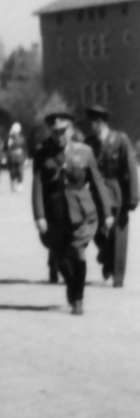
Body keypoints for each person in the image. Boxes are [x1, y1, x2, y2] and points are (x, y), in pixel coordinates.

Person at [32, 98, 112, 313]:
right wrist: (39, 215)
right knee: (60, 257)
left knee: (78, 253)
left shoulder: (84, 151)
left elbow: (97, 183)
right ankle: (71, 284)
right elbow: (37, 186)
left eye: (64, 130)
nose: (60, 134)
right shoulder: (42, 153)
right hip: (54, 214)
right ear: (50, 130)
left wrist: (107, 212)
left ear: (71, 129)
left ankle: (78, 299)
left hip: (81, 213)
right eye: (55, 130)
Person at [85, 104, 139, 286]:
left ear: (99, 122)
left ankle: (118, 277)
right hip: (95, 196)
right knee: (97, 233)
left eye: (91, 122)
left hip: (117, 195)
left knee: (119, 236)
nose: (89, 126)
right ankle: (107, 257)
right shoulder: (89, 142)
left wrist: (133, 196)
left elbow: (131, 168)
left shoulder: (120, 140)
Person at [4, 122, 28, 192]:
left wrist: (26, 158)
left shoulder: (22, 138)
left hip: (20, 157)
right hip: (11, 157)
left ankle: (20, 184)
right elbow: (6, 148)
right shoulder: (9, 138)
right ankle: (13, 184)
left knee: (20, 171)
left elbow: (25, 148)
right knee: (12, 171)